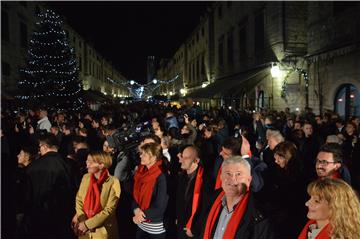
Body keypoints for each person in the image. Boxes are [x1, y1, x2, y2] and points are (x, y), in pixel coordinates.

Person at [201, 156, 274, 238]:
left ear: (249, 180)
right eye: (228, 173)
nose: (232, 179)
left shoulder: (259, 216)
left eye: (239, 174)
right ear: (221, 177)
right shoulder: (210, 201)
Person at [24, 133, 75, 239]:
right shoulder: (69, 165)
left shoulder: (32, 166)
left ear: (45, 146)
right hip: (62, 216)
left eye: (40, 147)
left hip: (37, 216)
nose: (39, 150)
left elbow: (26, 194)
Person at [72, 151, 121, 239]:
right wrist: (82, 219)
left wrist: (88, 224)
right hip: (83, 229)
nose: (87, 163)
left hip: (102, 231)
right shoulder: (85, 177)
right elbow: (79, 199)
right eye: (87, 160)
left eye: (90, 161)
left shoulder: (113, 181)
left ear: (101, 165)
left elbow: (109, 209)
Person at [132, 142, 169, 239]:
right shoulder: (141, 171)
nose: (140, 156)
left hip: (154, 228)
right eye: (141, 153)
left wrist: (140, 216)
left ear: (153, 157)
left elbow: (160, 207)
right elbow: (135, 196)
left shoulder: (162, 176)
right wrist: (136, 209)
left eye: (144, 154)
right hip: (141, 224)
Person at [176, 145, 210, 238]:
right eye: (182, 156)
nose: (181, 160)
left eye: (186, 158)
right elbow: (179, 200)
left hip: (193, 230)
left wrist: (194, 228)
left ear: (196, 161)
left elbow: (205, 208)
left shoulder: (205, 180)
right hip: (181, 226)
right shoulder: (182, 176)